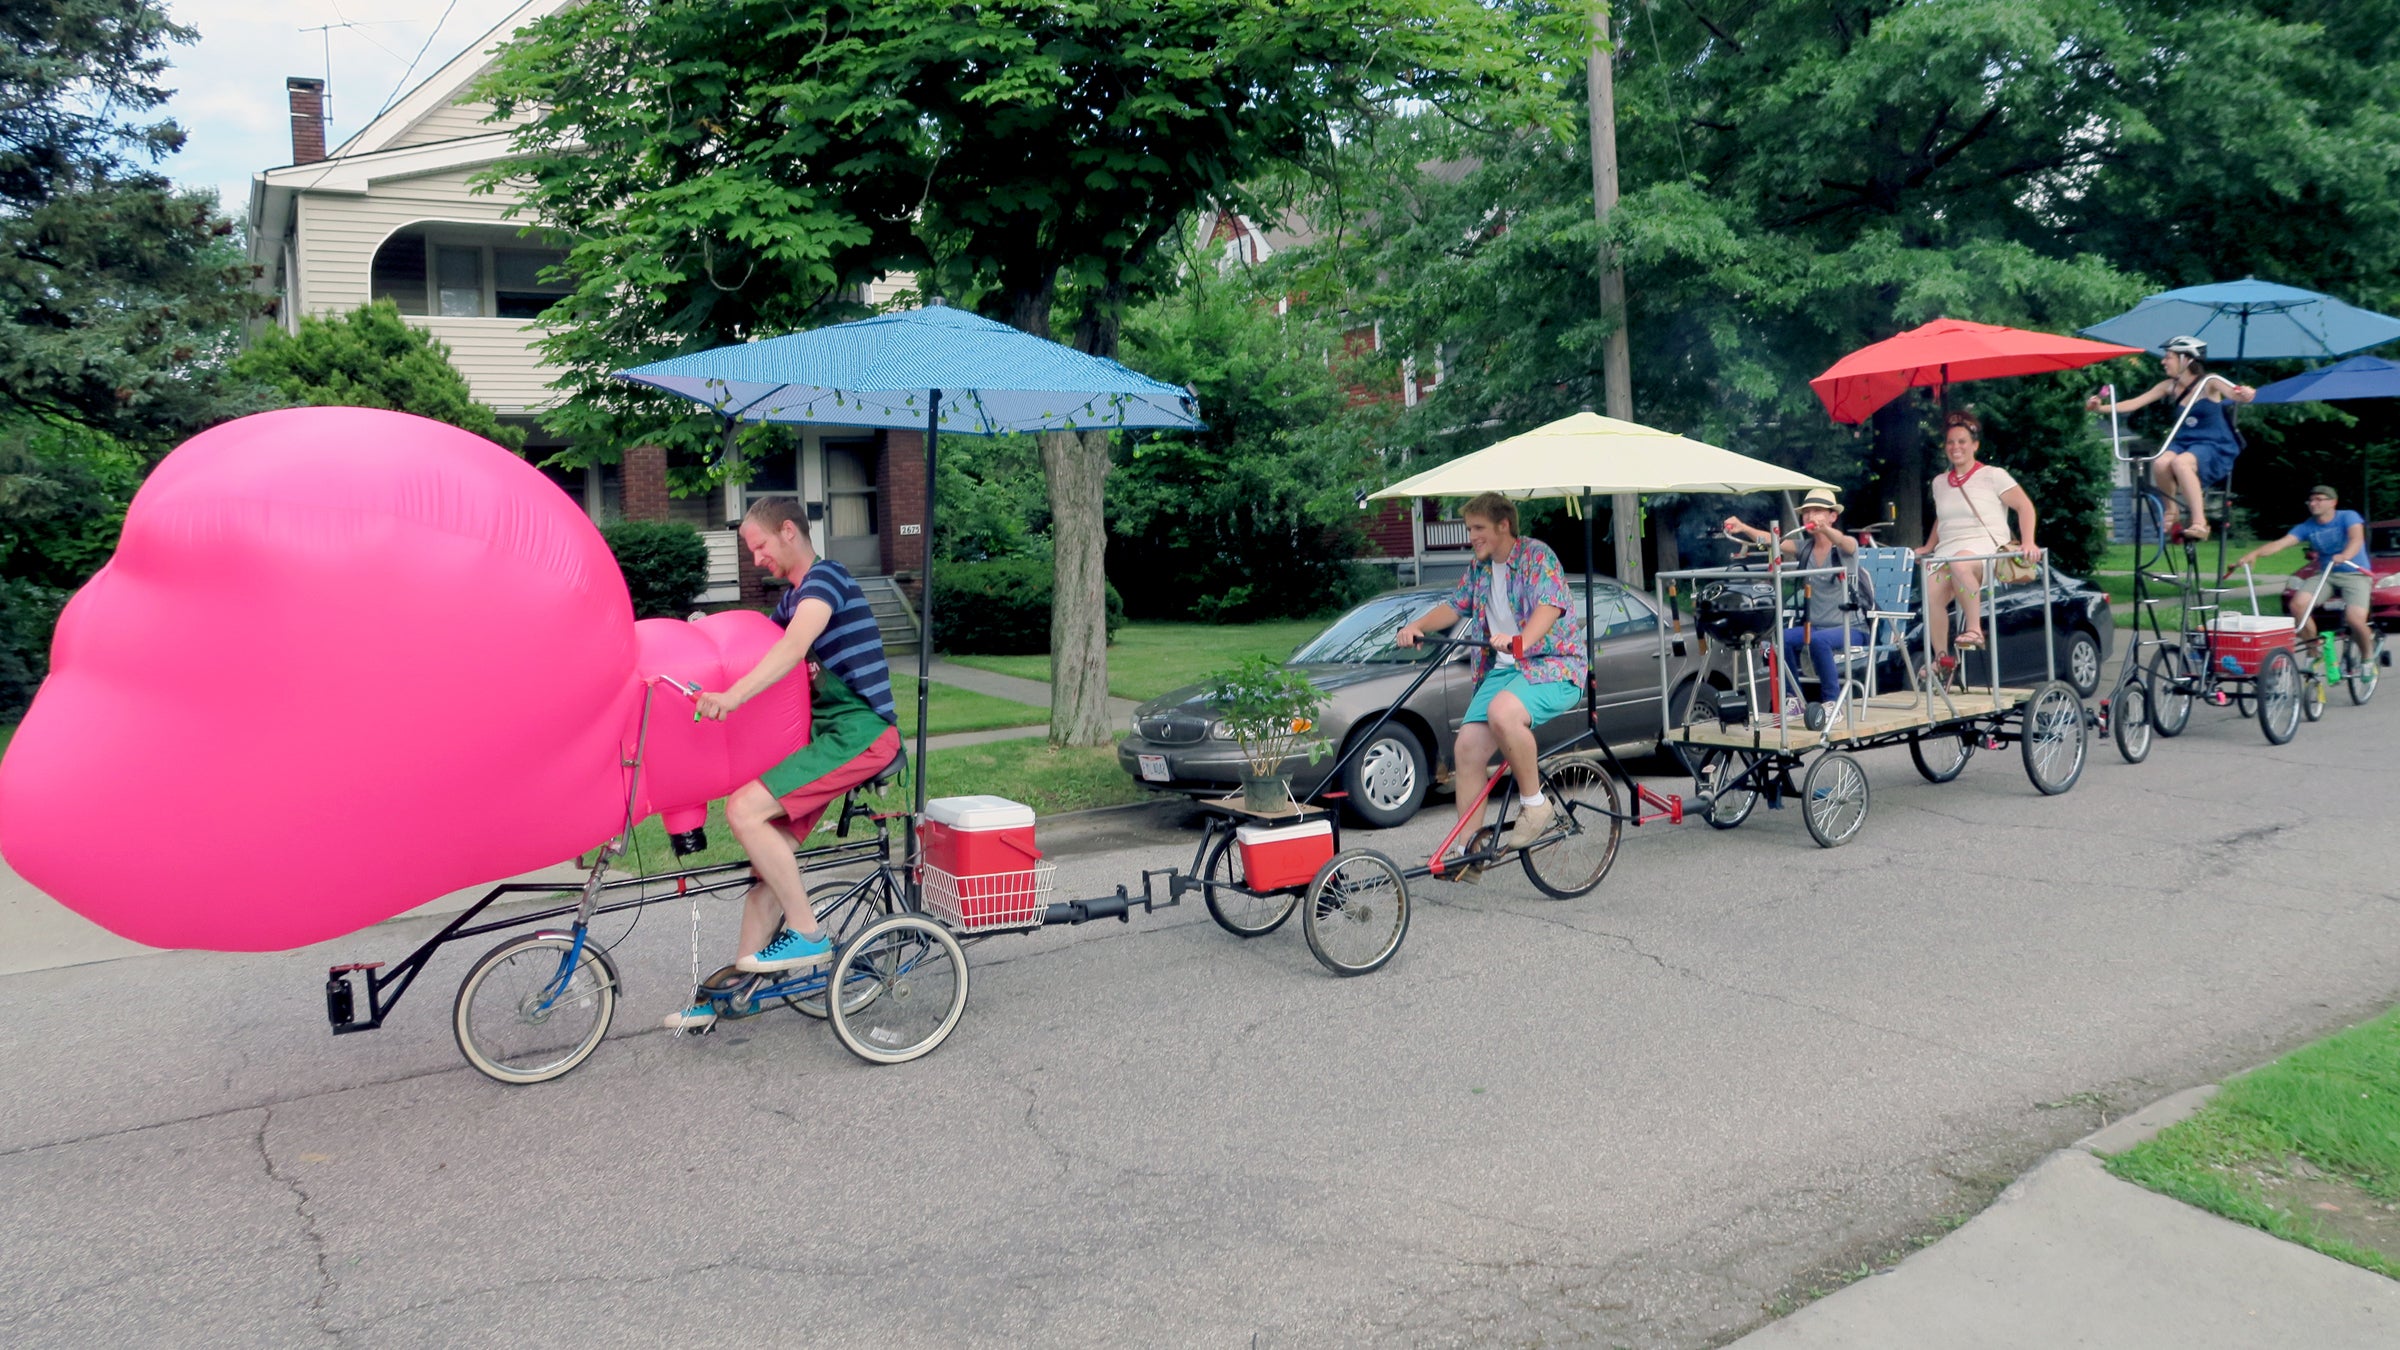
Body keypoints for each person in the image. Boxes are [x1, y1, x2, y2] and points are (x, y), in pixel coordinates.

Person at [663, 496, 904, 1031]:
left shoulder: (826, 580)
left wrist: (733, 696)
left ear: (788, 531)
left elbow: (791, 650)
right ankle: (732, 995)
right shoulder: (792, 597)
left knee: (745, 810)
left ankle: (808, 933)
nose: (756, 560)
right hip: (830, 737)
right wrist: (704, 635)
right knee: (765, 872)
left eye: (759, 546)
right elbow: (759, 642)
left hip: (862, 733)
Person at [1395, 492, 1588, 859]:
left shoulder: (1537, 556)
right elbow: (1455, 607)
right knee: (1467, 747)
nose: (1473, 536)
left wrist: (1520, 642)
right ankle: (1470, 850)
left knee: (1503, 713)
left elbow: (1549, 607)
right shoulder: (1480, 567)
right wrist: (1417, 625)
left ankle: (1535, 805)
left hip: (1553, 665)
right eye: (1470, 529)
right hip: (1504, 672)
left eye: (1479, 528)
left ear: (1503, 525)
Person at [1722, 487, 1871, 727]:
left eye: (1818, 511)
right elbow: (1774, 541)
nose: (1811, 517)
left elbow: (1846, 542)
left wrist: (1827, 531)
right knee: (1780, 637)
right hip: (1817, 627)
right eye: (1807, 512)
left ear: (1833, 516)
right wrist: (1743, 527)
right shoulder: (1805, 548)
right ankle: (1794, 698)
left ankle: (1832, 701)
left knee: (1819, 640)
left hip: (1852, 628)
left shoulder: (1844, 547)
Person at [2085, 336, 2256, 542]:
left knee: (2181, 463)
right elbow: (2134, 403)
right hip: (2184, 440)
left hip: (2212, 442)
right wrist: (2101, 408)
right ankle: (2171, 510)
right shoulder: (2169, 386)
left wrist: (2247, 393)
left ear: (2187, 360)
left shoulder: (2210, 382)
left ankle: (2200, 523)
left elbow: (2236, 393)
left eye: (2169, 357)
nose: (2163, 361)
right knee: (2160, 462)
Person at [1921, 412, 2042, 672]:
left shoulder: (1993, 476)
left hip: (1984, 549)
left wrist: (2029, 542)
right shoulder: (1939, 483)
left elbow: (2024, 507)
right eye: (1951, 442)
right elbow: (1942, 518)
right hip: (1948, 551)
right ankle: (1942, 658)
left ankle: (1975, 630)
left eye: (1962, 441)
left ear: (1975, 445)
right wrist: (1929, 547)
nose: (1956, 447)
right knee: (1931, 590)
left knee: (1961, 563)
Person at [2230, 485, 2377, 659]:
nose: (2313, 504)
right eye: (2311, 500)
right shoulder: (2307, 526)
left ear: (2333, 502)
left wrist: (2345, 555)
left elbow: (2356, 539)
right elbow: (2281, 543)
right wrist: (2253, 554)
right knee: (2297, 605)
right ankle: (2314, 652)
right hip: (2327, 575)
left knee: (2354, 619)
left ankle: (2368, 657)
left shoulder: (2348, 516)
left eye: (2319, 500)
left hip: (2355, 573)